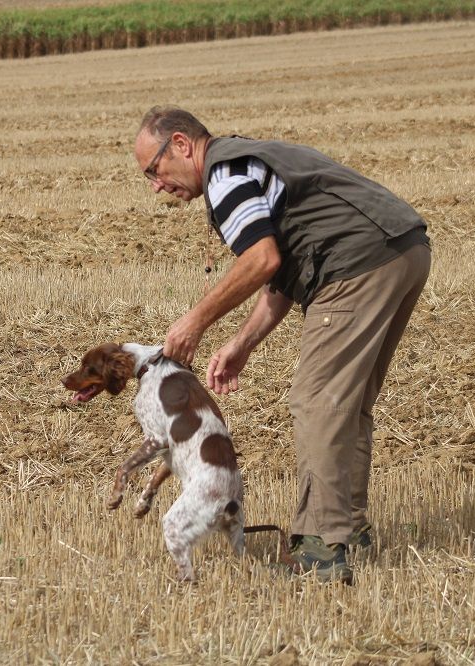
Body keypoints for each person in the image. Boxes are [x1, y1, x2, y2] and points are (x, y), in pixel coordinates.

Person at [133, 106, 431, 584]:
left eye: (153, 169)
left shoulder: (224, 175)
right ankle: (349, 530)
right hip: (403, 250)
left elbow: (262, 259)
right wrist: (243, 343)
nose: (155, 185)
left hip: (358, 264)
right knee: (346, 403)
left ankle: (320, 547)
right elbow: (285, 270)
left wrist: (195, 322)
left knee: (317, 402)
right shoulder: (246, 160)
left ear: (182, 145)